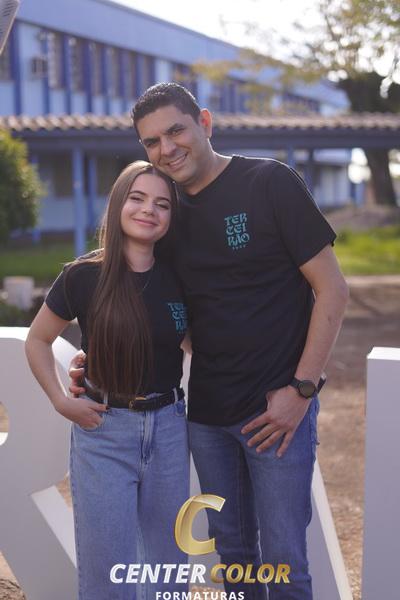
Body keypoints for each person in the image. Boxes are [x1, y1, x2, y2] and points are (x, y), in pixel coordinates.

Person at [70, 83, 349, 600]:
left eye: (175, 130)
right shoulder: (166, 213)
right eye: (151, 142)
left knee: (285, 562)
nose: (166, 148)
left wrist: (302, 390)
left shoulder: (270, 182)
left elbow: (332, 288)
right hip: (206, 417)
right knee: (234, 557)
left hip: (278, 412)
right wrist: (97, 357)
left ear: (204, 122)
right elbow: (150, 302)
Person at [25, 160, 190, 600]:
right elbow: (38, 340)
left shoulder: (179, 276)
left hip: (170, 429)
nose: (149, 210)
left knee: (169, 571)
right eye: (137, 198)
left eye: (162, 204)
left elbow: (193, 342)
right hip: (104, 431)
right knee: (108, 576)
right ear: (118, 203)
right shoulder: (83, 276)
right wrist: (61, 401)